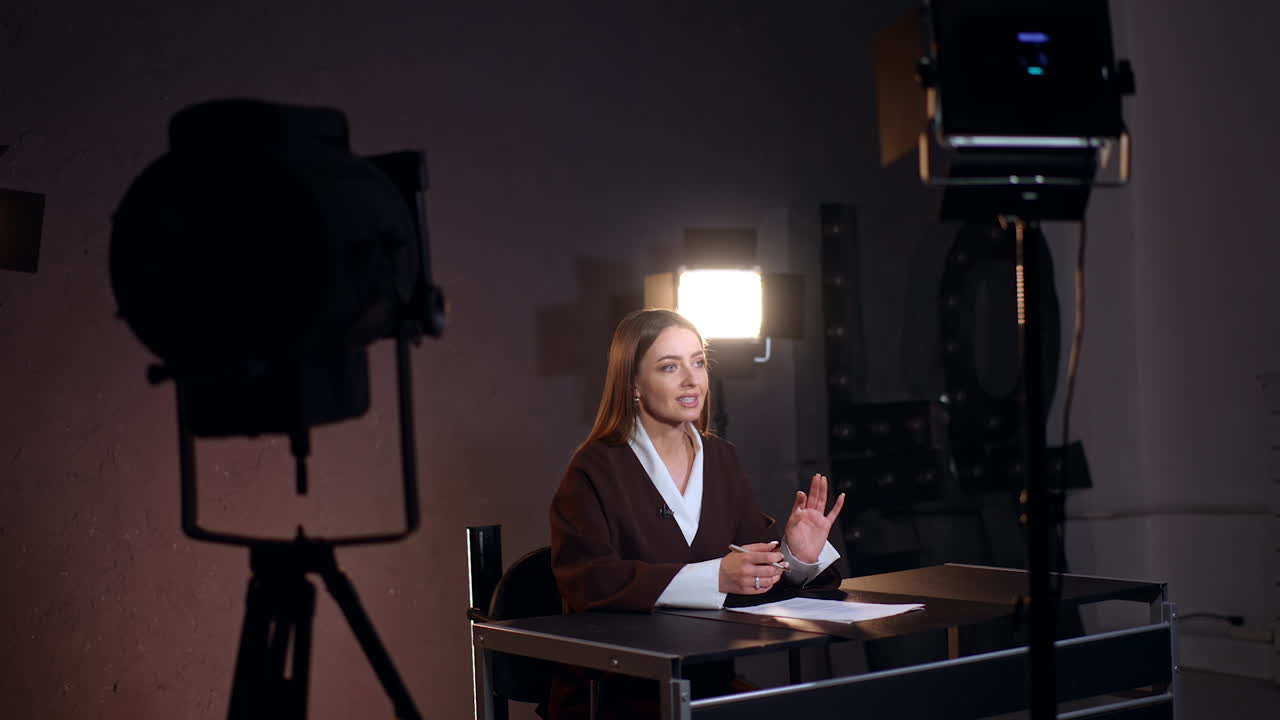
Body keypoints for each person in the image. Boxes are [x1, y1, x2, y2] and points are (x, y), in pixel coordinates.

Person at [547, 309, 846, 718]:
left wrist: (795, 555)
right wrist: (716, 575)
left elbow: (751, 565)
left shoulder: (721, 458)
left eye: (699, 362)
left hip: (706, 688)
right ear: (633, 384)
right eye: (670, 367)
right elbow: (591, 583)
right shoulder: (594, 468)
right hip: (612, 698)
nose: (692, 380)